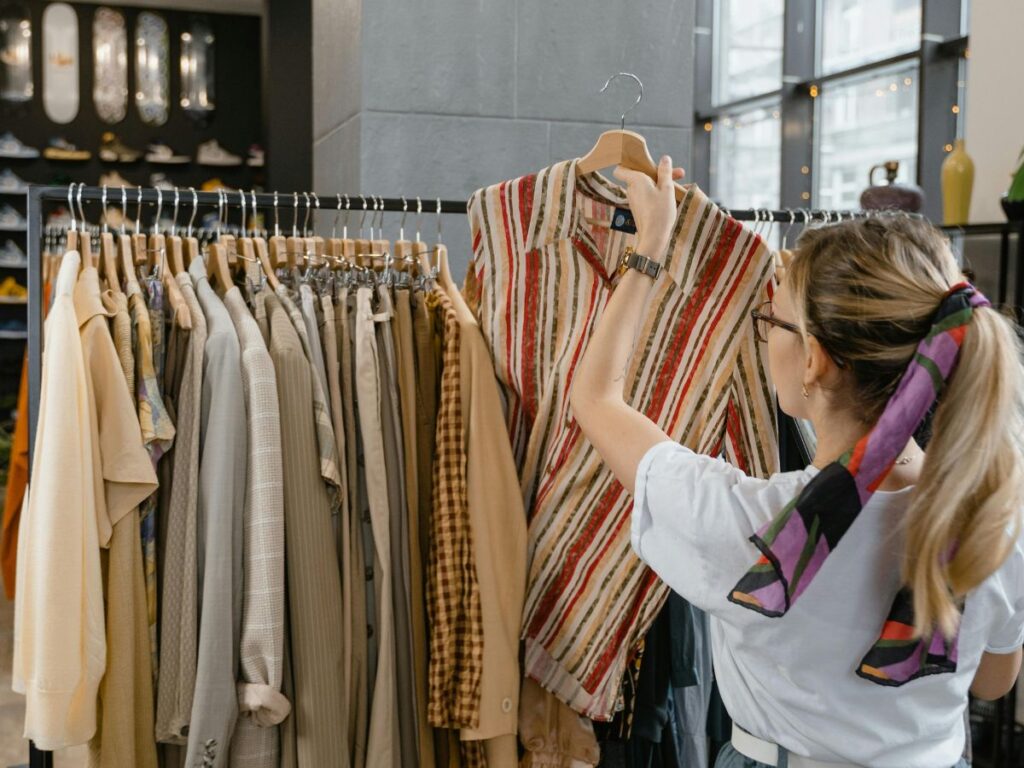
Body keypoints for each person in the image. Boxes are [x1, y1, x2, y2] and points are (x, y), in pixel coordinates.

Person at [569, 155, 1024, 768]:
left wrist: (651, 244)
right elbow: (992, 682)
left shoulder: (750, 527)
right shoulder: (997, 512)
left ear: (814, 360)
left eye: (771, 322)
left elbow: (596, 398)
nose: (765, 334)